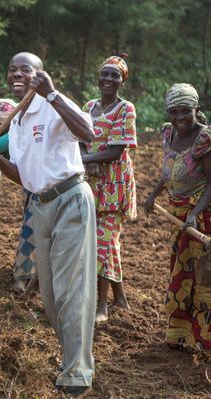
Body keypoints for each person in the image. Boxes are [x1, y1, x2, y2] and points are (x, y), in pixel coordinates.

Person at [0, 52, 96, 398]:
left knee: (73, 290)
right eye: (12, 69)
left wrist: (53, 94)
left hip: (71, 199)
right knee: (52, 297)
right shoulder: (16, 122)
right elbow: (26, 178)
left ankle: (77, 374)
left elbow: (88, 132)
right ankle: (73, 359)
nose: (17, 74)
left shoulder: (51, 103)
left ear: (39, 74)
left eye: (25, 69)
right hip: (39, 207)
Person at [144, 83, 211, 377]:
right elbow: (170, 171)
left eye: (186, 111)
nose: (180, 116)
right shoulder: (168, 133)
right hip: (184, 218)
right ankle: (186, 337)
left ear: (196, 110)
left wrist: (195, 213)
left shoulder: (208, 137)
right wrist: (154, 193)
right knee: (186, 275)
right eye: (174, 111)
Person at [81, 55, 137, 323]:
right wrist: (86, 157)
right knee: (107, 242)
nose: (108, 79)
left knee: (102, 242)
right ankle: (121, 299)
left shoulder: (126, 109)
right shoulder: (88, 106)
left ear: (122, 80)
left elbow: (116, 151)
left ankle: (101, 306)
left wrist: (87, 160)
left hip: (114, 184)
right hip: (91, 183)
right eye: (105, 73)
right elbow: (77, 136)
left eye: (115, 75)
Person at [0, 99, 36, 293]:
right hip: (31, 187)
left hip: (49, 186)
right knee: (29, 231)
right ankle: (24, 275)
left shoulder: (17, 132)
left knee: (34, 232)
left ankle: (28, 278)